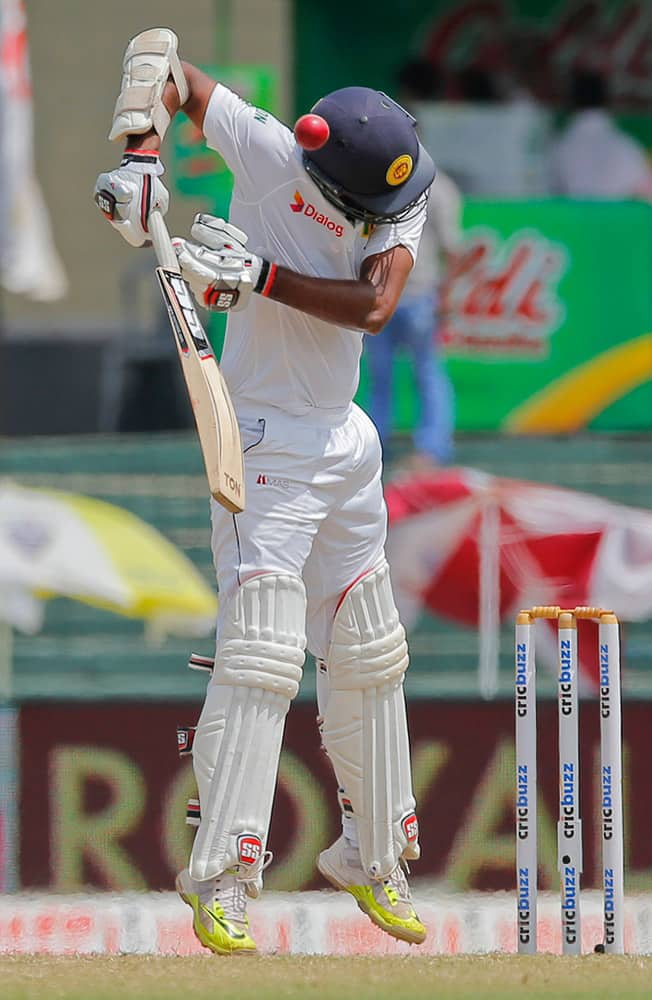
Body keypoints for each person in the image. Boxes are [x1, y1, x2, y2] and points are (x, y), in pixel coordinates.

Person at [94, 28, 435, 956]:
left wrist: (260, 278)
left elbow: (372, 306)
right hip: (263, 440)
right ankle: (224, 877)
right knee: (262, 659)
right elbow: (161, 60)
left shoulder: (394, 205)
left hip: (344, 438)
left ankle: (374, 853)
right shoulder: (269, 149)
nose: (388, 217)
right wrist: (141, 162)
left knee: (370, 653)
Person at [365, 61, 462, 472]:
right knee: (390, 375)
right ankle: (380, 443)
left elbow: (453, 251)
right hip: (388, 294)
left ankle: (431, 447)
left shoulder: (430, 186)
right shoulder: (378, 182)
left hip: (415, 294)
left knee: (420, 373)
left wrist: (447, 294)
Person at [548, 68, 652, 199]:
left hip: (572, 217)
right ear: (608, 101)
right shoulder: (627, 148)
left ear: (570, 102)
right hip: (617, 218)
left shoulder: (558, 148)